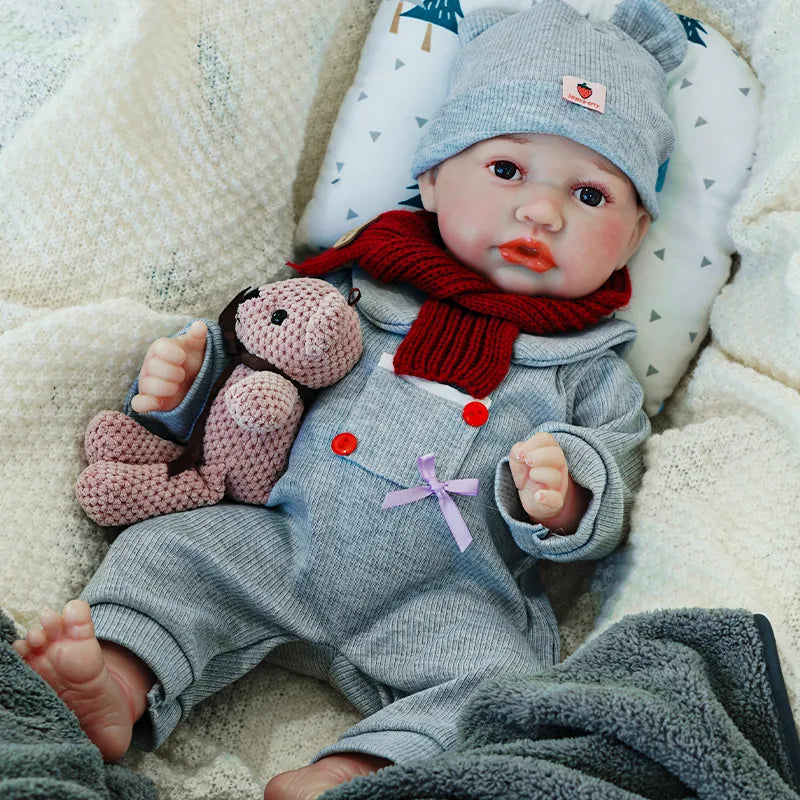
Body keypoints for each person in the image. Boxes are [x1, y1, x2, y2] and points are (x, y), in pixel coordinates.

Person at [13, 0, 686, 797]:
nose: (541, 210)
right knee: (169, 554)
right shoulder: (358, 281)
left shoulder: (590, 370)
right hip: (277, 539)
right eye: (506, 169)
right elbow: (255, 355)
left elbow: (615, 490)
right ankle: (119, 679)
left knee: (503, 687)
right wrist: (178, 388)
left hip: (445, 598)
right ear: (433, 178)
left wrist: (569, 498)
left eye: (592, 196)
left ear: (637, 233)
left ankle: (354, 773)